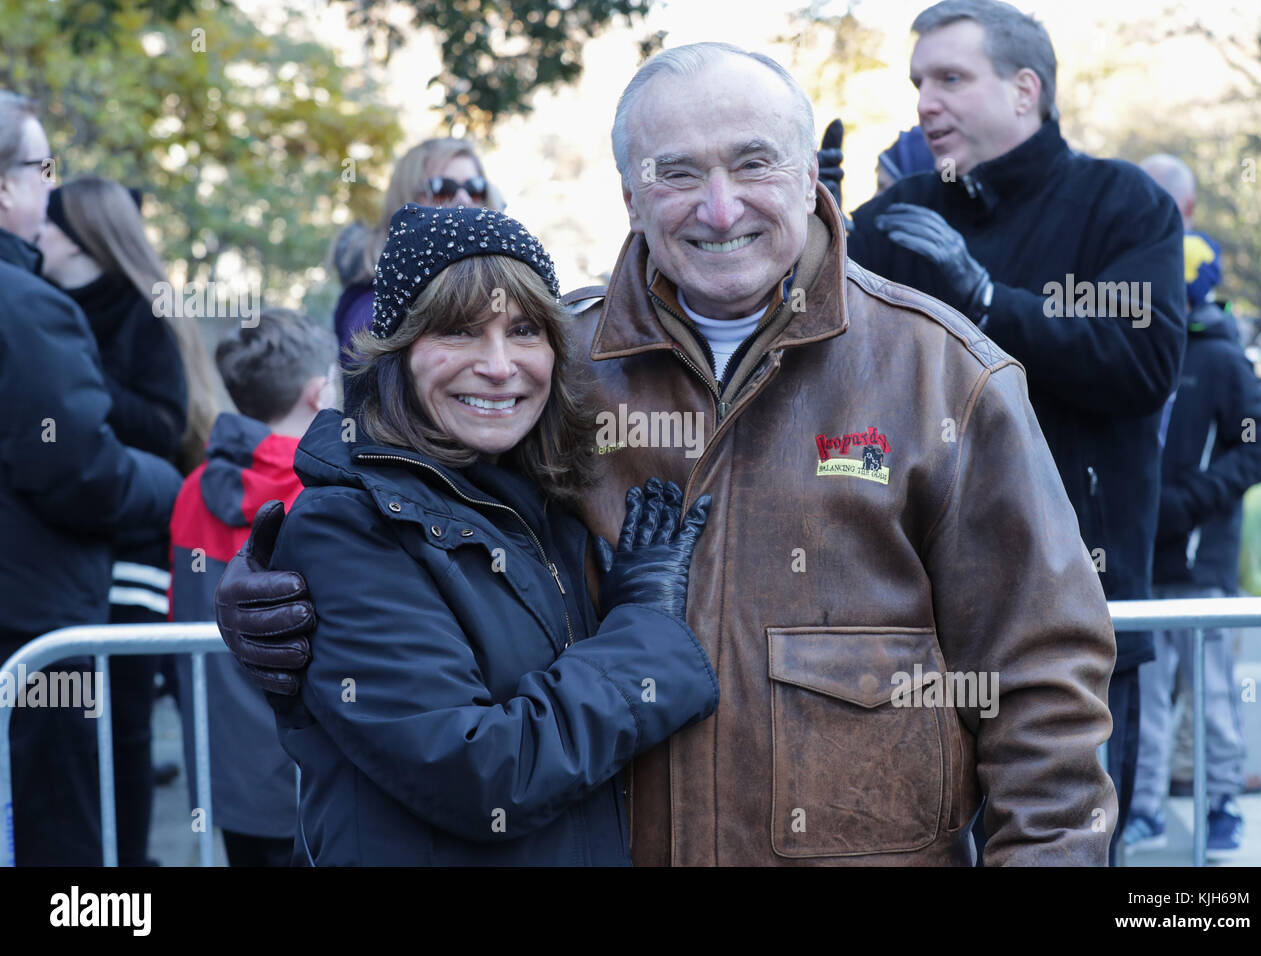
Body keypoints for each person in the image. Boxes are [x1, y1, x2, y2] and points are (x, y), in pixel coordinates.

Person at [217, 43, 1119, 866]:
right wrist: (283, 602)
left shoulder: (943, 376)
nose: (719, 208)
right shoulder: (547, 366)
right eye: (677, 172)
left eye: (753, 163)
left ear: (810, 176)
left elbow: (1042, 681)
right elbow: (406, 528)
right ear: (630, 197)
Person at [232, 204, 718, 865]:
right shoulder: (347, 528)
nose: (499, 364)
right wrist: (643, 637)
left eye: (524, 331)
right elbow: (482, 772)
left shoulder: (537, 501)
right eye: (459, 332)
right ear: (396, 353)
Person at [832, 0, 1186, 863]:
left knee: (1061, 846)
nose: (925, 101)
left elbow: (1142, 365)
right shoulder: (898, 212)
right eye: (918, 82)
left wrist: (987, 299)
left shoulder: (1125, 202)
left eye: (951, 77)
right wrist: (802, 230)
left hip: (1077, 624)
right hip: (908, 624)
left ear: (1026, 89)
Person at [0, 91, 181, 865]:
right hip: (33, 619)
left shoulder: (130, 312)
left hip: (71, 601)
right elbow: (82, 471)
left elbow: (158, 419)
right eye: (41, 166)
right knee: (59, 849)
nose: (52, 185)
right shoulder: (28, 308)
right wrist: (169, 487)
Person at [37, 175, 220, 866]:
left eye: (49, 225)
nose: (35, 234)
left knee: (124, 718)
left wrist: (76, 384)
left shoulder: (145, 311)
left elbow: (162, 424)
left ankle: (131, 873)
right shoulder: (38, 304)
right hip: (66, 546)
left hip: (137, 544)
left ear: (81, 235)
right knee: (66, 720)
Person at [1123, 154, 1261, 858]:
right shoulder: (1130, 342)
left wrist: (1191, 501)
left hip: (1201, 566)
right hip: (1144, 561)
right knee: (1149, 705)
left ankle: (1223, 808)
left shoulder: (1217, 356)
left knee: (1216, 699)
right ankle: (1146, 810)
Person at [170, 309, 337, 867]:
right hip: (313, 775)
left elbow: (178, 620)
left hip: (225, 772)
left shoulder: (193, 489)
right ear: (319, 393)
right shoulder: (324, 494)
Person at [330, 138, 502, 365]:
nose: (464, 200)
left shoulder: (499, 280)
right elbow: (370, 360)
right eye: (442, 189)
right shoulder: (374, 297)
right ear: (405, 198)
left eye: (475, 189)